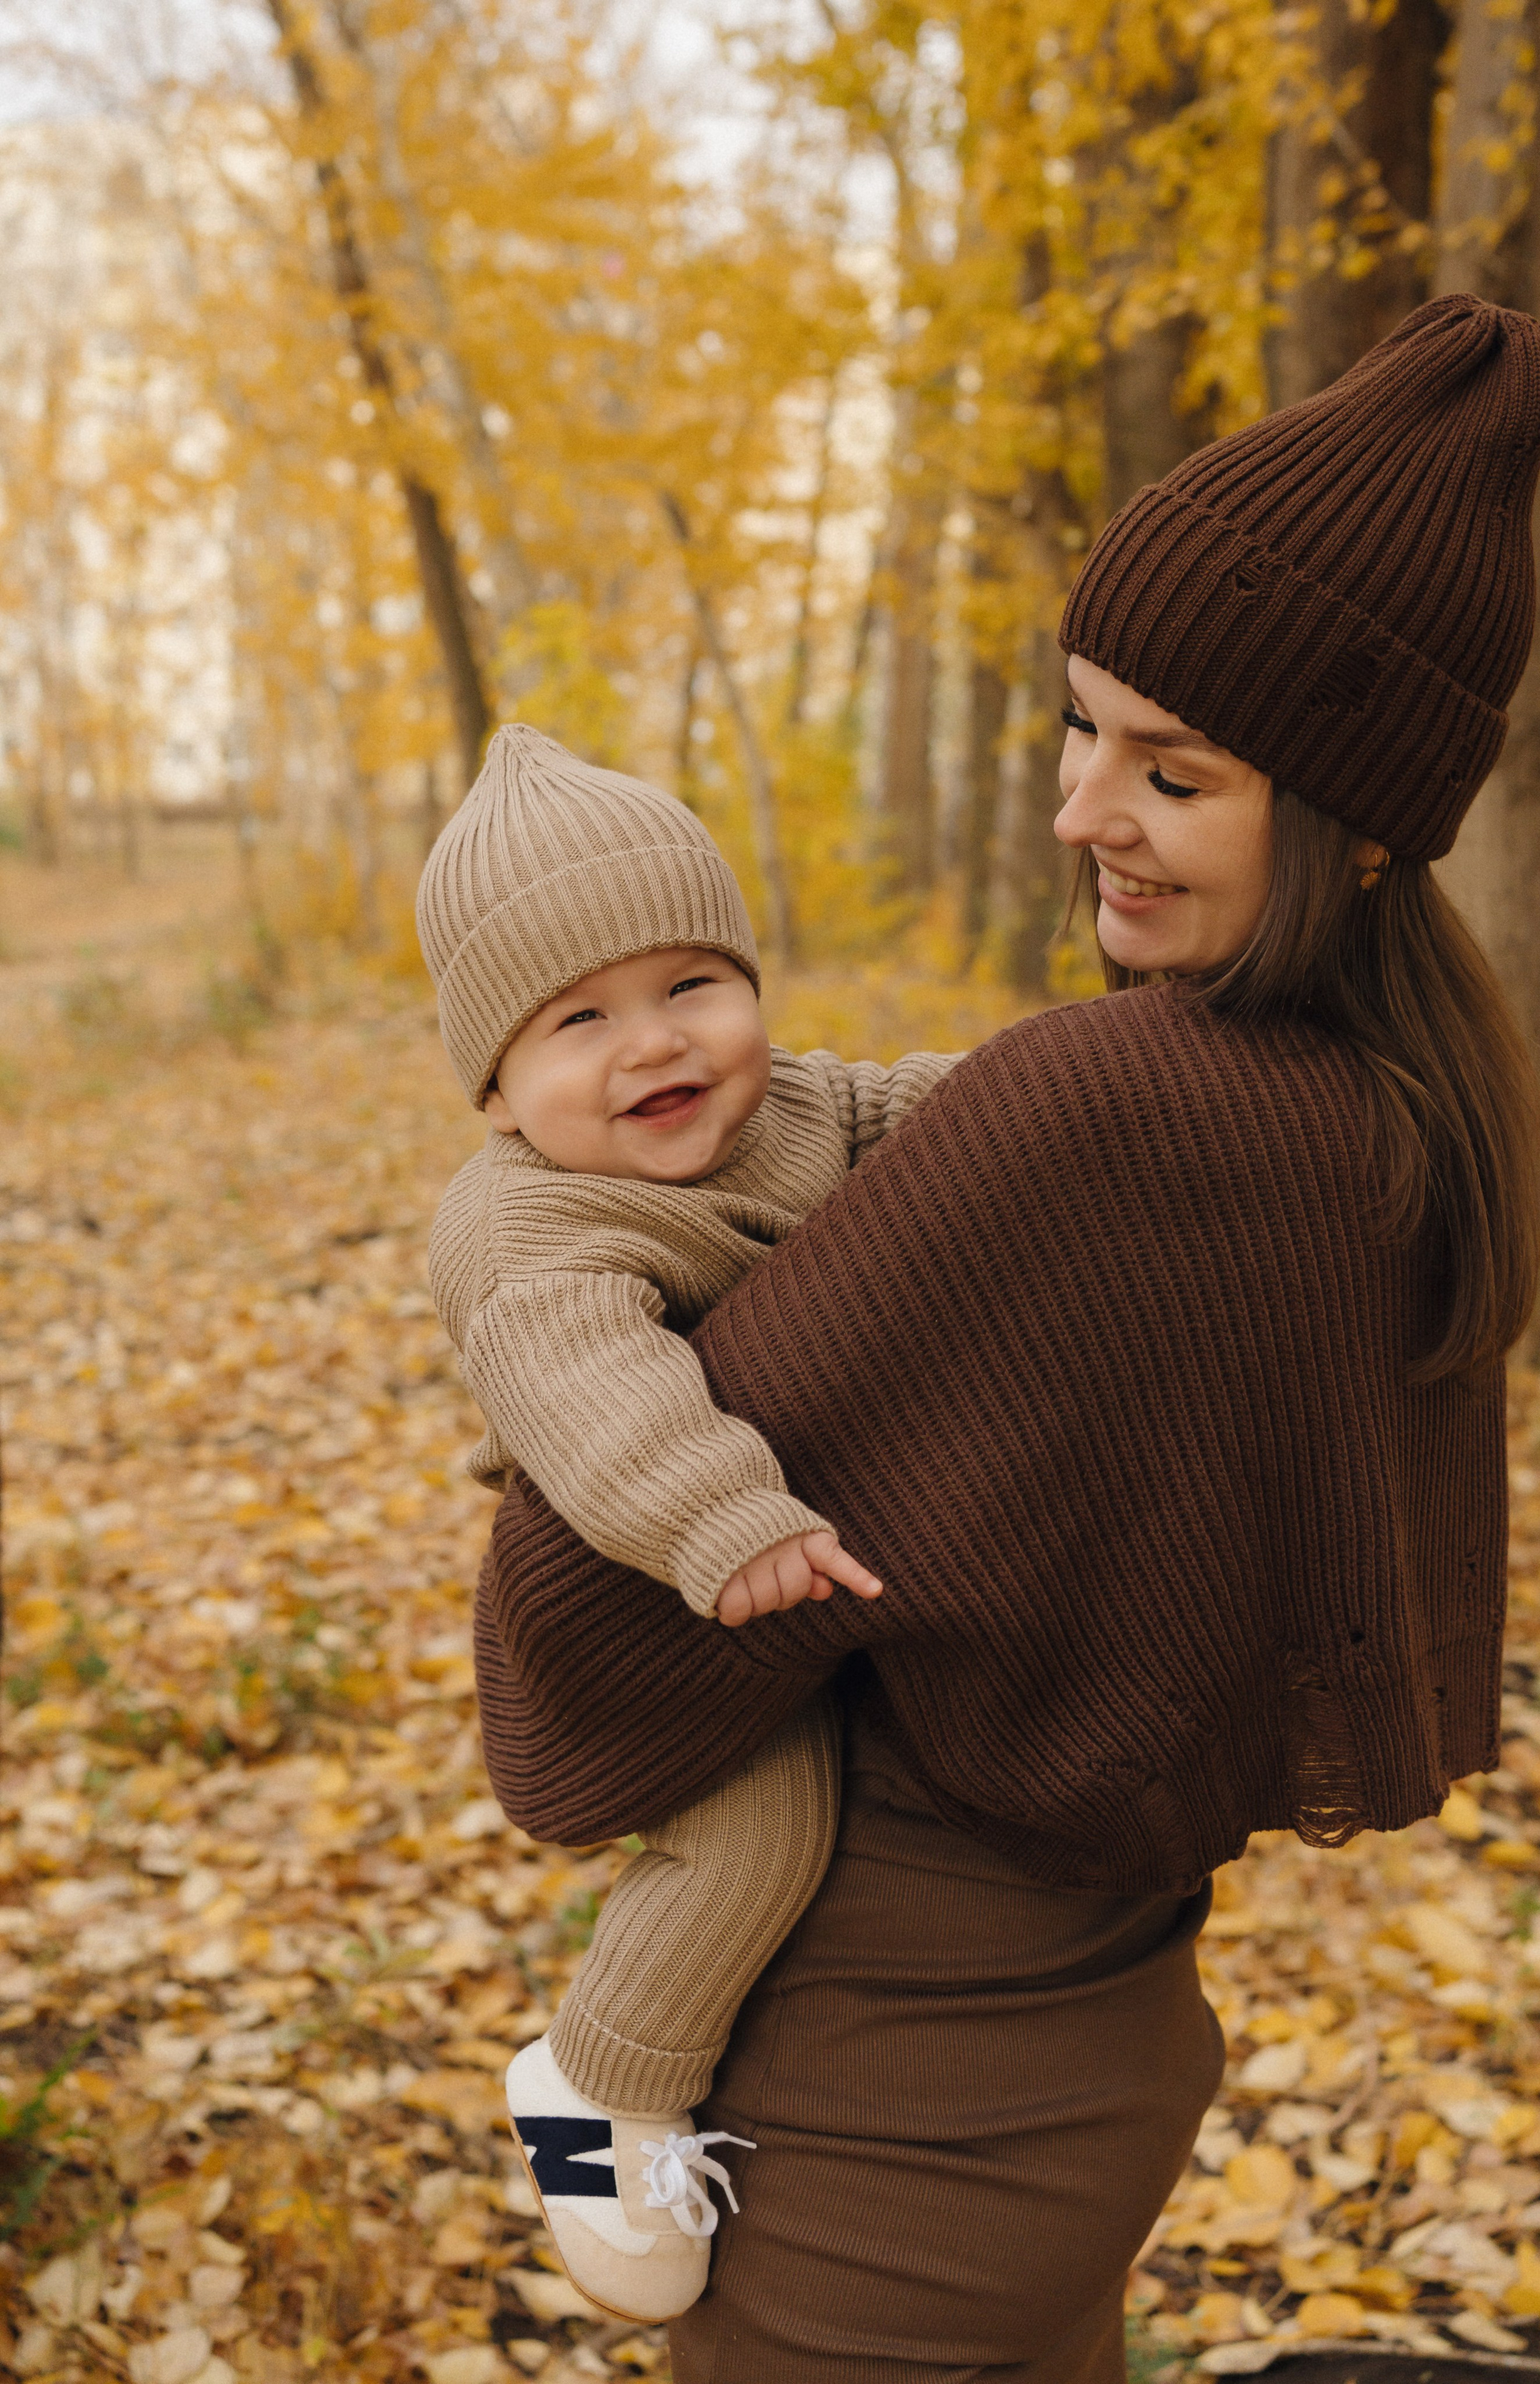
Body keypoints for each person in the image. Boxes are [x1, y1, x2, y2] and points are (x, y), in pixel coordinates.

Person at [469, 294, 1540, 2383]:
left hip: (890, 2114)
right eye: (1083, 730)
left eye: (1178, 771)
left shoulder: (1116, 1112)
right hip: (1098, 2052)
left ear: (1361, 818)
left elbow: (592, 1622)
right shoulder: (1408, 1116)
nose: (1081, 812)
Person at [417, 731, 957, 2319]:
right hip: (632, 1588)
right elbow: (594, 1389)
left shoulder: (791, 1109)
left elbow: (927, 1122)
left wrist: (1069, 1095)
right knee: (756, 1827)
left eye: (691, 985)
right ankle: (597, 2084)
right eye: (578, 1019)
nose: (652, 1044)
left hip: (761, 1572)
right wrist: (720, 1514)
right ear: (499, 1085)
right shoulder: (522, 1218)